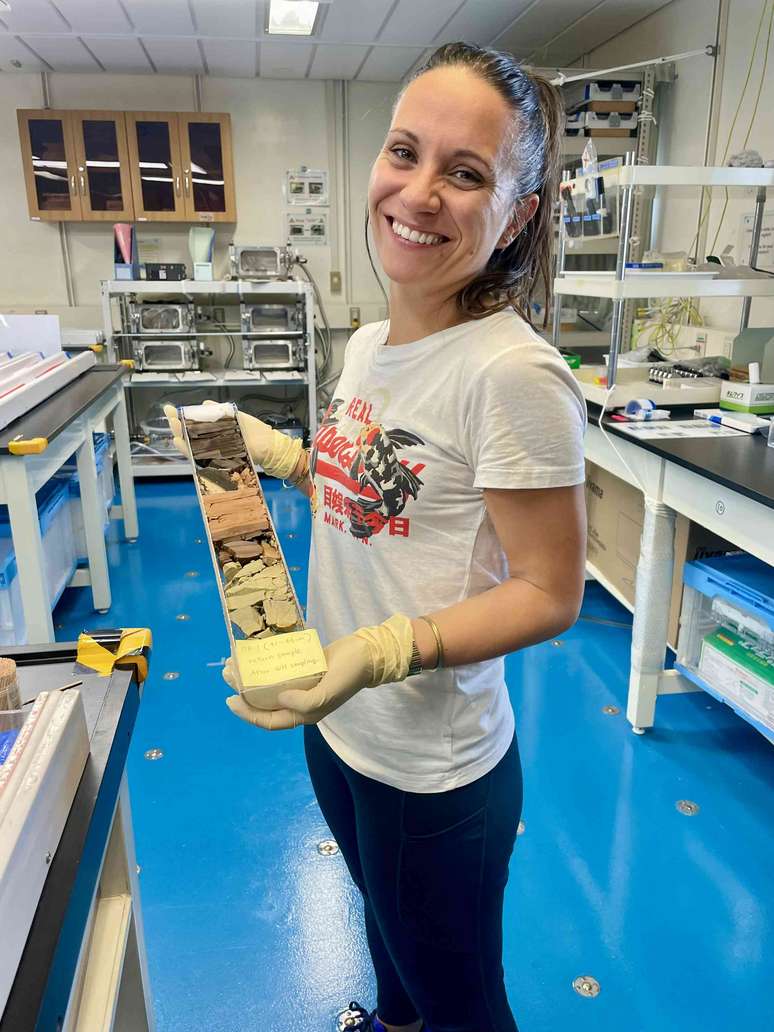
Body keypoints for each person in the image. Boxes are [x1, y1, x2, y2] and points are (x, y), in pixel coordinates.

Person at [167, 41, 586, 1032]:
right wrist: (283, 458)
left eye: (467, 172)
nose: (420, 191)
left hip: (431, 770)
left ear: (519, 212)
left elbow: (549, 589)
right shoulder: (368, 344)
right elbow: (382, 499)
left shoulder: (511, 376)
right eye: (406, 152)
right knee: (389, 940)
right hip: (340, 724)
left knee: (464, 1005)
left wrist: (391, 647)